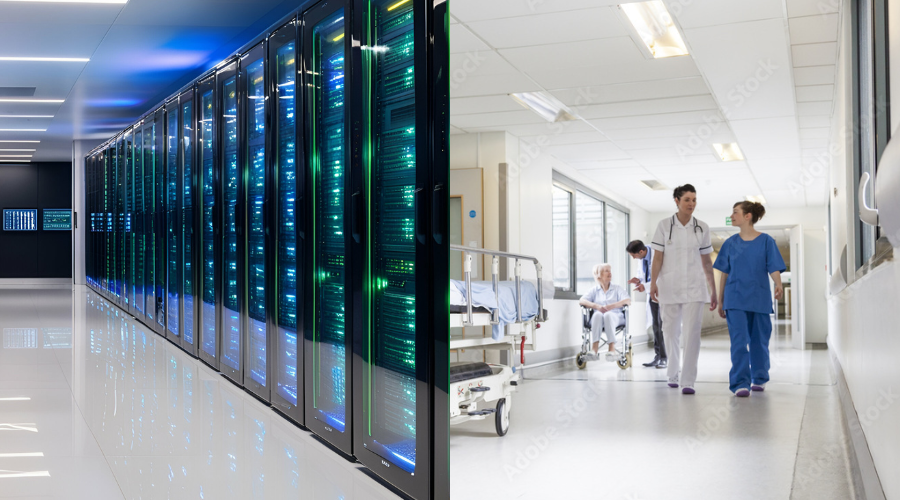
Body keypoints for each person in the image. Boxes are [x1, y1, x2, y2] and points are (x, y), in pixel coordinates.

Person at [649, 184, 717, 395]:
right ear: (677, 201)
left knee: (692, 334)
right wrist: (652, 284)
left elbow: (706, 262)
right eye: (687, 199)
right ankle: (672, 373)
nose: (691, 204)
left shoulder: (702, 227)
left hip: (695, 287)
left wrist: (713, 289)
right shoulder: (663, 226)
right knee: (670, 332)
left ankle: (688, 380)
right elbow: (657, 258)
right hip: (669, 287)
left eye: (694, 200)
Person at [714, 201, 786, 397]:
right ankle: (740, 383)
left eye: (735, 212)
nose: (732, 215)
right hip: (735, 299)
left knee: (759, 341)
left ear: (748, 216)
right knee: (738, 341)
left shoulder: (766, 241)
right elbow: (724, 274)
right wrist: (721, 300)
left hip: (759, 298)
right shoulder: (730, 244)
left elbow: (773, 266)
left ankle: (759, 377)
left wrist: (778, 284)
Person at [579, 264, 631, 361]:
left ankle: (612, 348)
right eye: (606, 270)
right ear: (599, 275)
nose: (610, 273)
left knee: (608, 314)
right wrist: (596, 306)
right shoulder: (594, 290)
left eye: (610, 270)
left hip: (616, 317)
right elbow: (582, 301)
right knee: (598, 314)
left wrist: (611, 306)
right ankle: (594, 348)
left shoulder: (617, 288)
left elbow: (627, 301)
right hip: (597, 320)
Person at [627, 240, 666, 369]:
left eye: (634, 255)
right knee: (655, 326)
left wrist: (646, 286)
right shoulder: (642, 258)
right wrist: (639, 281)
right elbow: (646, 276)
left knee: (662, 327)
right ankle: (658, 356)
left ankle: (664, 358)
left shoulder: (658, 254)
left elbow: (662, 277)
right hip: (652, 294)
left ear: (642, 251)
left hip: (663, 294)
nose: (633, 258)